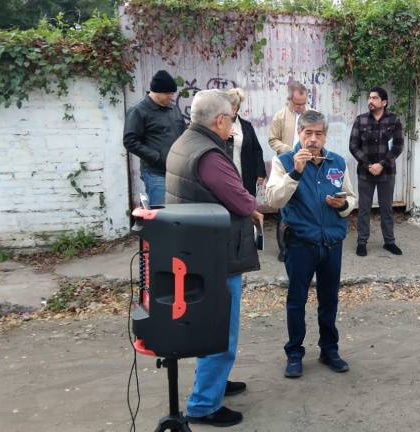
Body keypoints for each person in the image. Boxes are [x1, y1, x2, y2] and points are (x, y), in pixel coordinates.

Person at [165, 89, 263, 427]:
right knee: (221, 330)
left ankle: (215, 384)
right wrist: (254, 208)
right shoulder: (209, 155)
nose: (232, 126)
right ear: (220, 120)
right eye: (231, 120)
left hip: (197, 249)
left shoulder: (185, 142)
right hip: (215, 254)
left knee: (213, 327)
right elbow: (240, 200)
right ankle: (204, 404)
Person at [266, 109, 357, 379]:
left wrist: (344, 205)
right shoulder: (283, 162)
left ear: (325, 136)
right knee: (296, 301)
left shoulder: (337, 162)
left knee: (329, 300)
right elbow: (273, 200)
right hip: (300, 245)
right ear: (299, 134)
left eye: (319, 134)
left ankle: (329, 350)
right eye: (308, 133)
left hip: (331, 243)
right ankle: (294, 354)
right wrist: (295, 172)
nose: (313, 139)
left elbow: (352, 199)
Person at [349, 86, 405, 257]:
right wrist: (368, 165)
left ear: (384, 102)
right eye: (369, 98)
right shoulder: (361, 120)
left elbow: (397, 146)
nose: (370, 101)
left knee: (386, 208)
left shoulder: (394, 120)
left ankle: (389, 242)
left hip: (387, 173)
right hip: (365, 173)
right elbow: (353, 146)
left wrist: (381, 164)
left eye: (374, 98)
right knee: (364, 208)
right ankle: (362, 242)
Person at [123, 70, 186, 205]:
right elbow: (130, 141)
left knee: (178, 214)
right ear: (157, 92)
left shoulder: (173, 109)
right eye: (168, 94)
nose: (172, 97)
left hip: (177, 172)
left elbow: (183, 132)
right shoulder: (138, 111)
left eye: (172, 93)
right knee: (160, 215)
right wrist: (156, 157)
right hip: (156, 174)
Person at [268, 81, 309, 261]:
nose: (301, 107)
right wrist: (288, 150)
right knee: (284, 208)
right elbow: (272, 139)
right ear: (289, 99)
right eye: (298, 103)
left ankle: (305, 244)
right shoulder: (280, 116)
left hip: (307, 167)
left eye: (303, 103)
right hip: (287, 167)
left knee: (304, 205)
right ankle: (283, 248)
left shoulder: (312, 115)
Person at [223, 88, 266, 197]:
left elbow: (257, 150)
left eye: (232, 107)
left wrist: (260, 172)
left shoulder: (246, 126)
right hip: (225, 176)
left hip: (245, 176)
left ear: (236, 108)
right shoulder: (218, 125)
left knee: (246, 206)